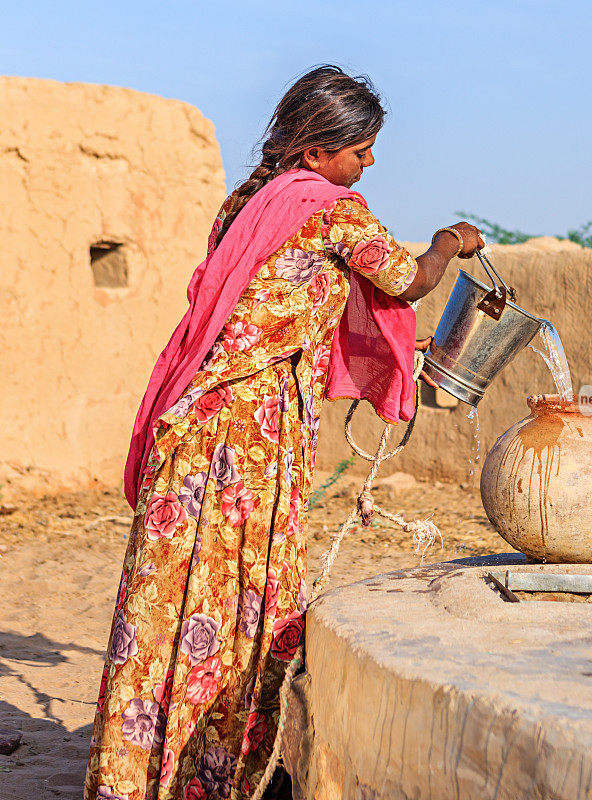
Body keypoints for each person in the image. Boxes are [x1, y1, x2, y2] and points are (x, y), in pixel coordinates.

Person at [84, 65, 483, 800]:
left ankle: (135, 778)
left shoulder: (244, 203)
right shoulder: (334, 211)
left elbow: (275, 301)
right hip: (247, 437)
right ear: (314, 154)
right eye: (360, 151)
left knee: (170, 599)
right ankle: (214, 777)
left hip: (193, 424)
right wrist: (449, 237)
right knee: (238, 601)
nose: (369, 164)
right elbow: (409, 279)